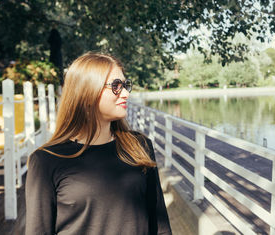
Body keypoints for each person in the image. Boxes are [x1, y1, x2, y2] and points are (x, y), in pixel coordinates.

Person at [25, 52, 172, 235]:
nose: (125, 93)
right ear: (86, 92)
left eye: (126, 85)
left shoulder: (139, 146)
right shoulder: (46, 161)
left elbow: (160, 225)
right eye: (116, 86)